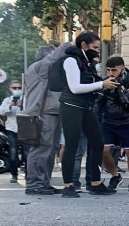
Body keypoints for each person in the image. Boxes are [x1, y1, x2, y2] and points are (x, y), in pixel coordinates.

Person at [48, 32, 119, 197]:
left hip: (86, 107)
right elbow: (75, 88)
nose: (96, 51)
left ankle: (95, 182)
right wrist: (102, 84)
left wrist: (102, 84)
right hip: (71, 107)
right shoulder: (72, 61)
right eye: (94, 47)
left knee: (97, 143)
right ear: (83, 45)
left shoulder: (87, 62)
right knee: (71, 145)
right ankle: (68, 185)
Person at [95, 57, 129, 193]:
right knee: (104, 151)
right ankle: (115, 175)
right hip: (109, 121)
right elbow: (98, 103)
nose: (111, 73)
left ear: (122, 69)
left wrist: (125, 91)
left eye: (114, 70)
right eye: (109, 70)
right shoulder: (105, 82)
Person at [21, 42, 65, 195]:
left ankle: (44, 183)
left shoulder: (44, 71)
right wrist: (72, 43)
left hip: (51, 111)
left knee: (50, 149)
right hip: (42, 112)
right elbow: (54, 58)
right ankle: (34, 184)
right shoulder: (40, 67)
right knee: (41, 148)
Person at [0, 78, 24, 184]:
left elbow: (32, 110)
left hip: (25, 129)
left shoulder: (26, 99)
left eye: (19, 88)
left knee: (27, 153)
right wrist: (10, 106)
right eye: (14, 88)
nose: (17, 89)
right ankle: (14, 174)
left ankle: (26, 171)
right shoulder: (7, 100)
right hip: (11, 128)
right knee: (13, 152)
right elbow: (1, 111)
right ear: (10, 89)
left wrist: (22, 106)